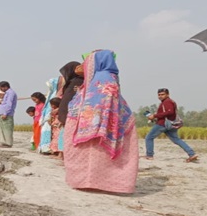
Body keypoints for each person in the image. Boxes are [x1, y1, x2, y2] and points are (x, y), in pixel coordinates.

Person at [64, 49, 138, 194]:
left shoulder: (103, 77)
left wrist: (93, 122)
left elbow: (101, 101)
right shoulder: (106, 76)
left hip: (96, 124)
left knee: (96, 155)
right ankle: (89, 182)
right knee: (93, 157)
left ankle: (98, 183)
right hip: (96, 121)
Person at [144, 88, 198, 162]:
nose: (160, 96)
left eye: (162, 94)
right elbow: (167, 114)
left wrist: (154, 116)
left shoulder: (167, 102)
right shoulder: (168, 102)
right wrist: (155, 117)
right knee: (176, 140)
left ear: (167, 94)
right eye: (159, 95)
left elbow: (170, 112)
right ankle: (192, 154)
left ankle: (149, 155)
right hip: (170, 124)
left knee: (149, 137)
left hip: (163, 124)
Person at [57, 61, 84, 160]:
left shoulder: (78, 82)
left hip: (72, 114)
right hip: (67, 113)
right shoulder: (73, 82)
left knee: (68, 134)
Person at [0, 81, 17, 148]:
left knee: (7, 129)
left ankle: (8, 143)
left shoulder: (11, 93)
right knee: (2, 129)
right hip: (2, 113)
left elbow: (9, 104)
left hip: (7, 114)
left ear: (5, 87)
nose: (1, 89)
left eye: (1, 88)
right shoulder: (7, 93)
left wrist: (5, 113)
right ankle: (3, 142)